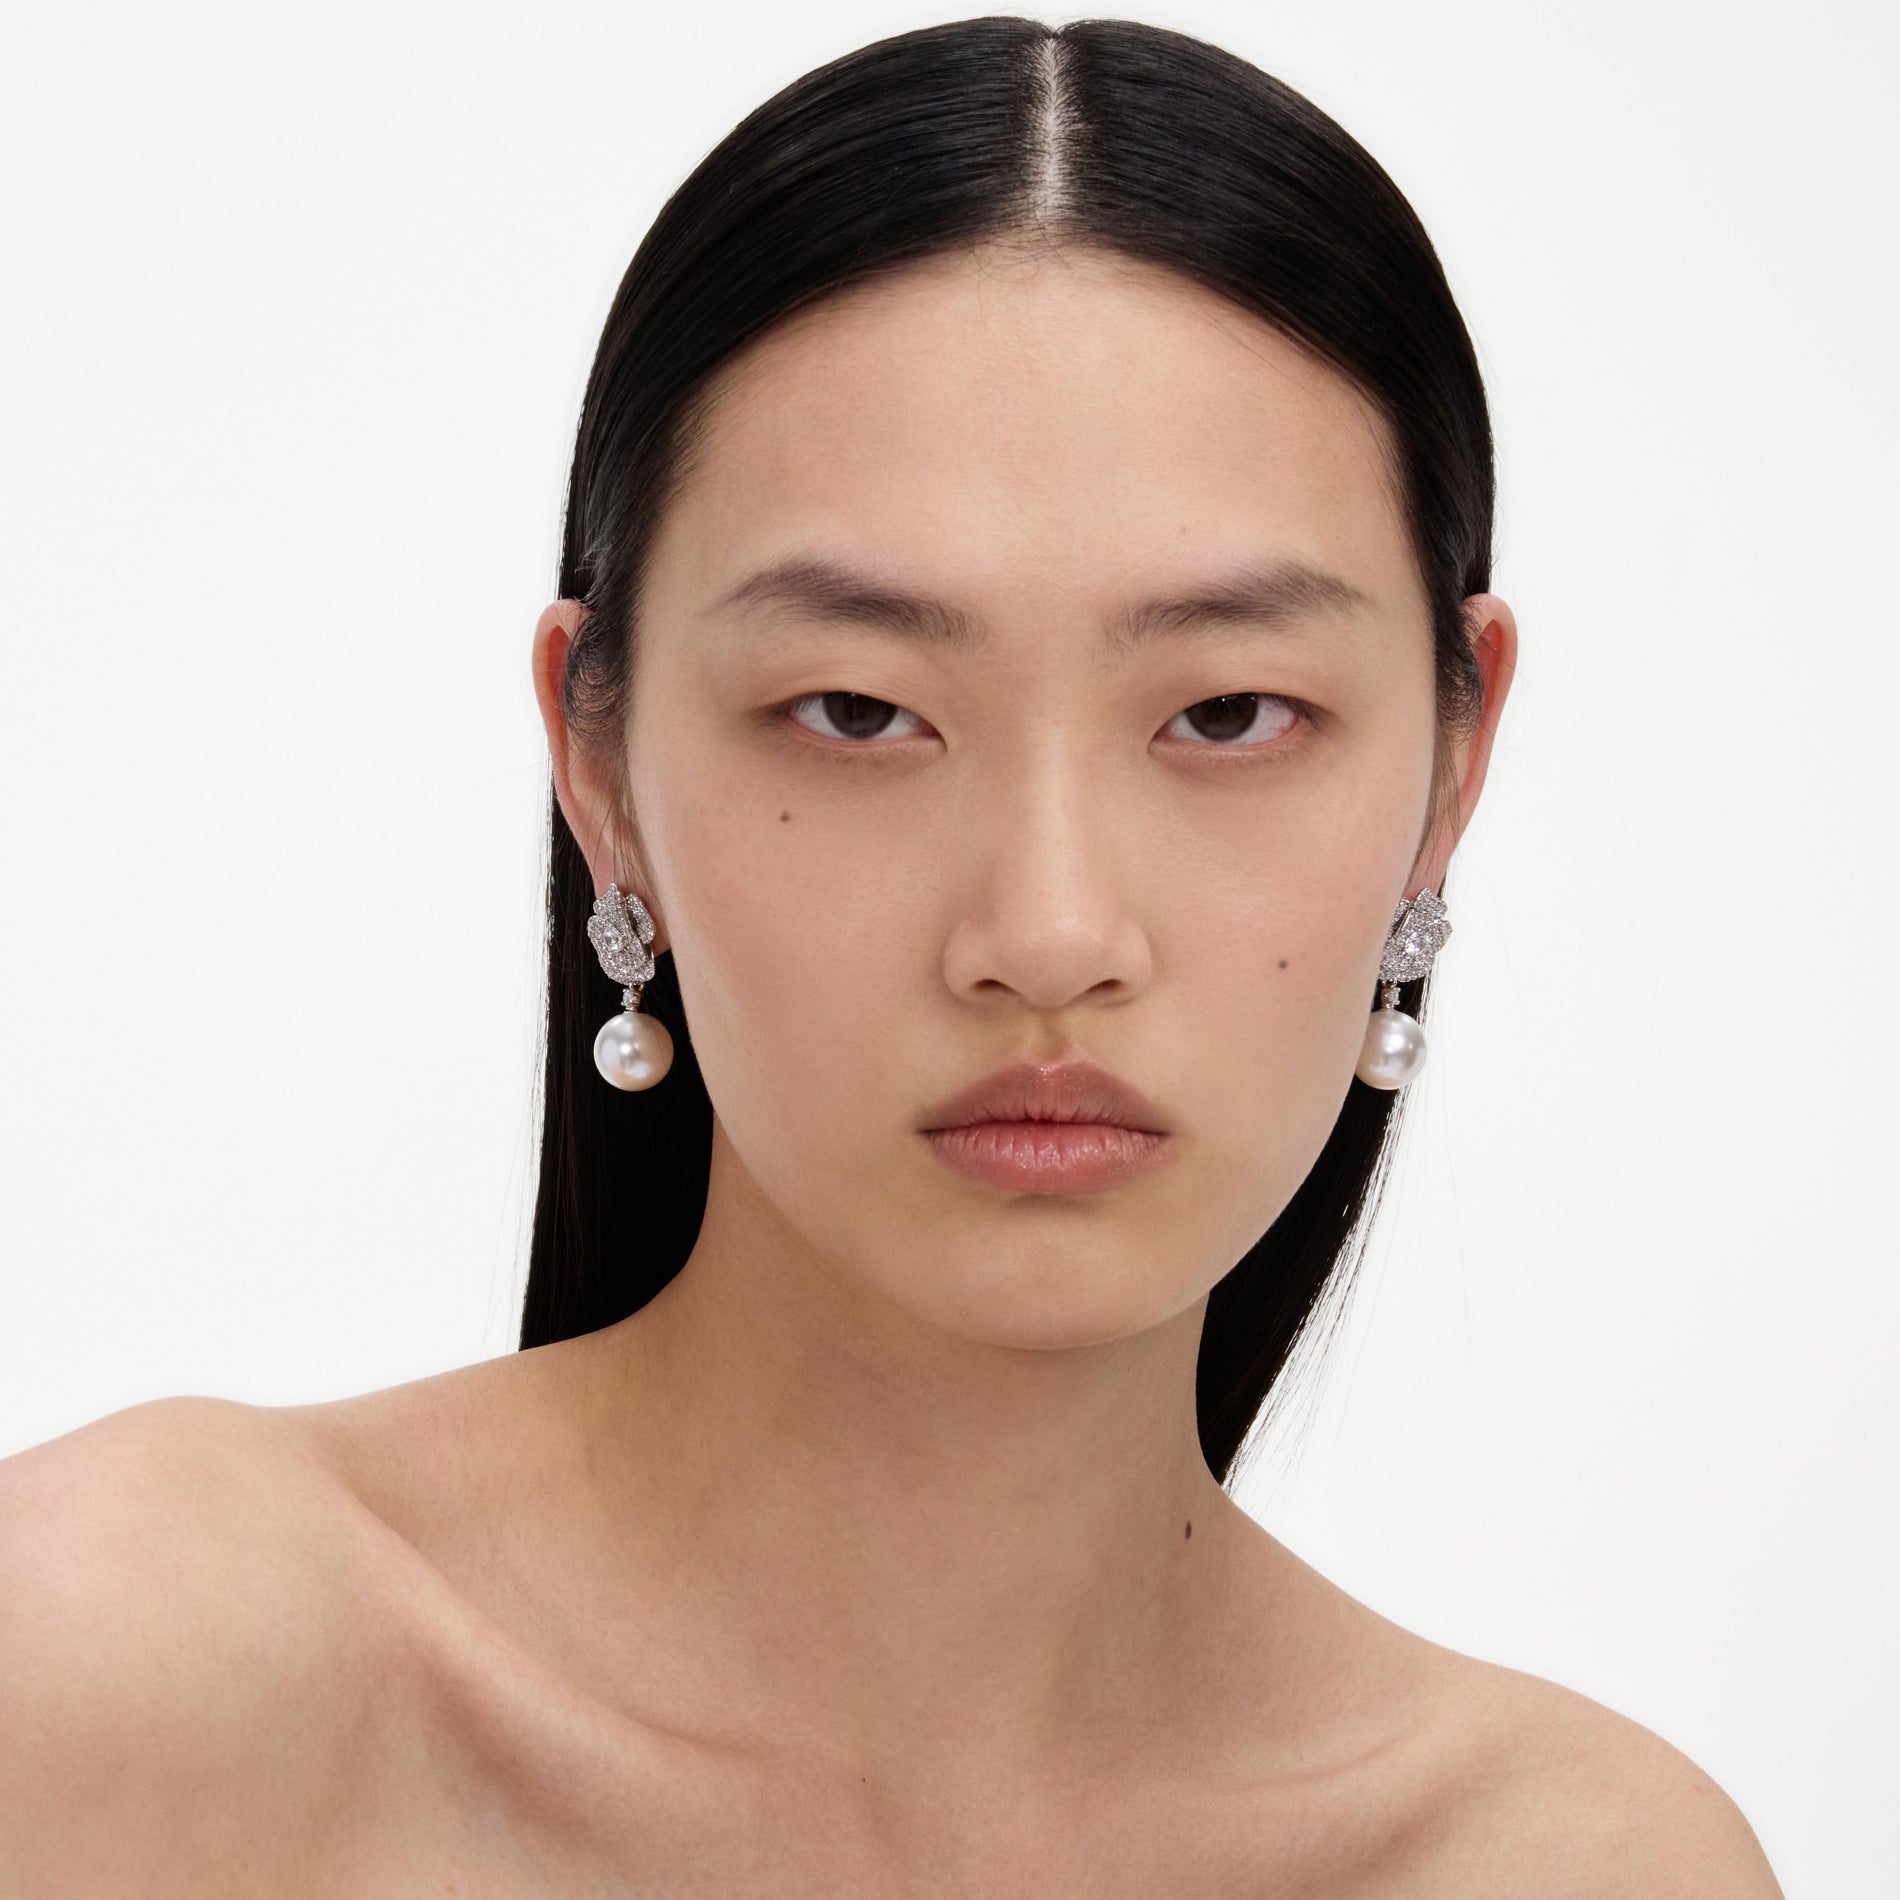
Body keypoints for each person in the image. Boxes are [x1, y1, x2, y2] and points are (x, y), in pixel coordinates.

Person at [0, 16, 1783, 1894]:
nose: (1050, 934)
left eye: (1230, 713)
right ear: (598, 764)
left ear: (1453, 765)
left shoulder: (1573, 1862)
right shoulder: (119, 1680)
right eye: (858, 712)